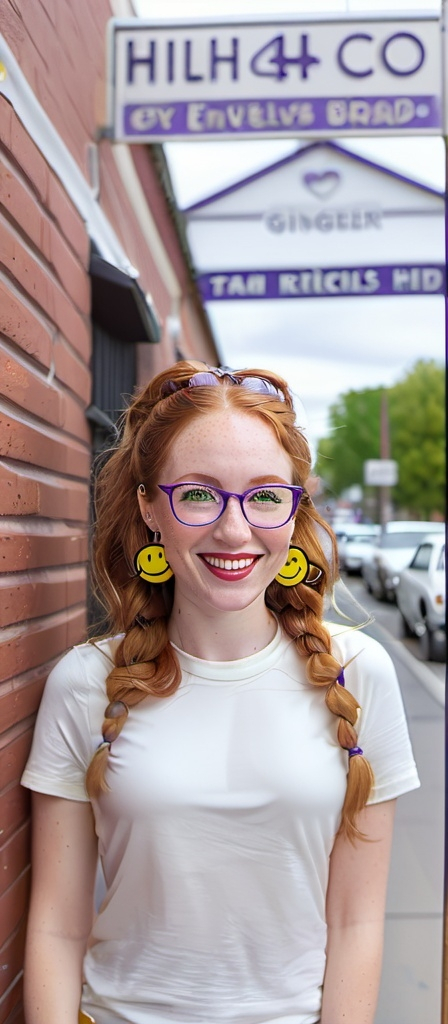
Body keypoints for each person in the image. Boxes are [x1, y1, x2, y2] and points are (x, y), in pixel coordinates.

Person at [22, 361, 420, 1024]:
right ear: (150, 505)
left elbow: (355, 925)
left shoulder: (359, 675)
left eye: (265, 496)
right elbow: (57, 931)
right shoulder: (85, 685)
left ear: (296, 512)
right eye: (198, 495)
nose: (234, 531)